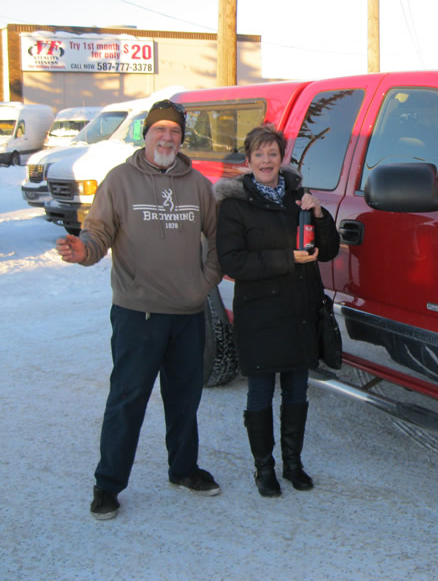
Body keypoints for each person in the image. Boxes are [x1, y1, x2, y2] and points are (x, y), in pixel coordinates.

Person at [55, 99, 223, 520]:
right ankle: (108, 485)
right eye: (159, 129)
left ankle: (183, 469)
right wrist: (83, 250)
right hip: (137, 313)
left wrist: (205, 283)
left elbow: (219, 240)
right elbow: (97, 234)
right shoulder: (120, 181)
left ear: (182, 138)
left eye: (174, 131)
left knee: (184, 399)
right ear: (145, 134)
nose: (167, 137)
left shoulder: (198, 186)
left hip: (187, 314)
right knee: (127, 399)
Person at [215, 124, 339, 497]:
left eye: (273, 153)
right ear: (248, 160)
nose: (266, 160)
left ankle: (293, 464)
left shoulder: (299, 198)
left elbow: (328, 249)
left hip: (299, 311)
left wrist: (319, 214)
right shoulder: (235, 205)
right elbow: (233, 262)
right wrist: (288, 258)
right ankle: (264, 468)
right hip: (260, 316)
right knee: (260, 393)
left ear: (281, 157)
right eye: (259, 154)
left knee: (297, 392)